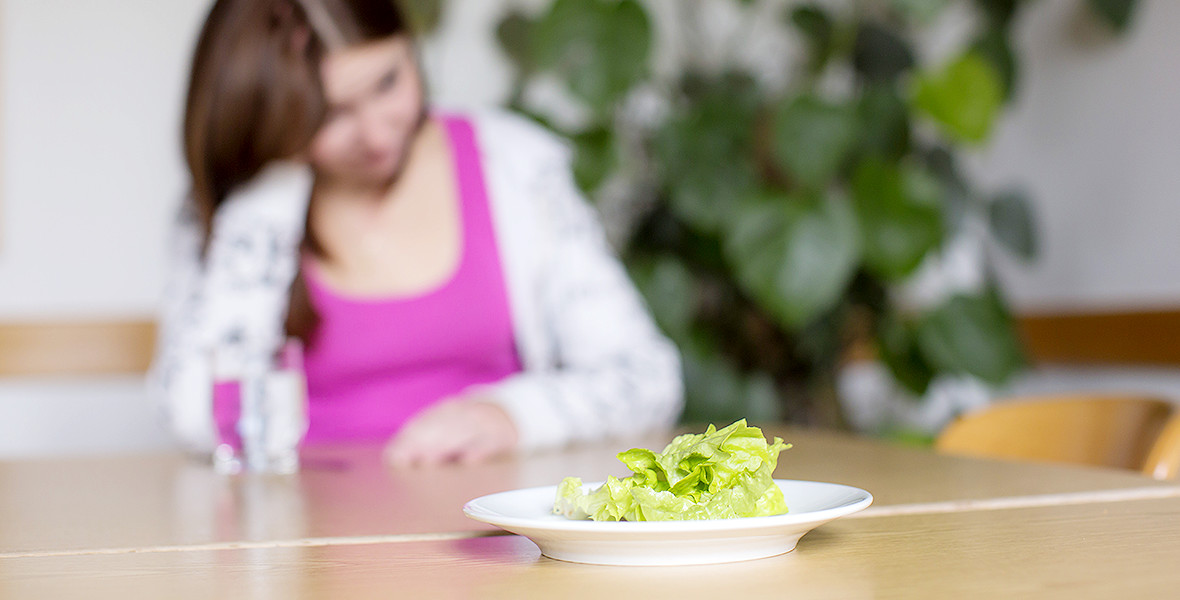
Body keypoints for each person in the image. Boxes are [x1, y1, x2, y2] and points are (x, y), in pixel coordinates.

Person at [150, 0, 682, 466]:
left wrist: (514, 416)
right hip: (297, 551)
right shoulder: (245, 214)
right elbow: (198, 417)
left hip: (491, 537)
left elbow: (646, 379)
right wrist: (266, 191)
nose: (377, 133)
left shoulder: (516, 167)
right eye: (329, 114)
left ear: (411, 45)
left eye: (388, 82)